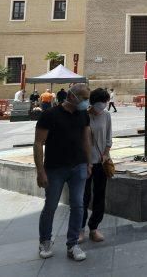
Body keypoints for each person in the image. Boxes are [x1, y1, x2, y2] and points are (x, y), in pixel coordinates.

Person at [33, 83, 92, 262]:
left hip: (79, 166)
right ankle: (45, 241)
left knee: (78, 205)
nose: (86, 101)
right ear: (72, 96)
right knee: (50, 206)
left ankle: (72, 243)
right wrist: (40, 171)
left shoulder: (83, 114)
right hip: (55, 168)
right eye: (83, 98)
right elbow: (38, 143)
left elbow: (86, 139)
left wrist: (89, 163)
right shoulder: (49, 115)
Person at [81, 88, 112, 244]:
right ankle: (80, 229)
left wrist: (106, 154)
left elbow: (108, 138)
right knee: (83, 197)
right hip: (85, 163)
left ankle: (94, 228)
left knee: (100, 196)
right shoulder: (83, 116)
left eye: (105, 102)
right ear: (93, 103)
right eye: (102, 102)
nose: (104, 105)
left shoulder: (106, 115)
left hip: (101, 162)